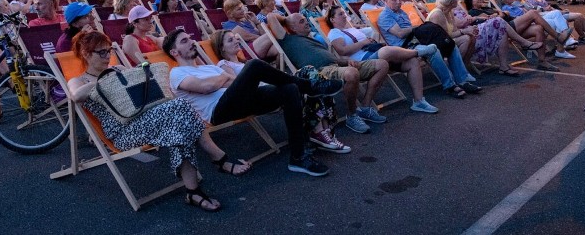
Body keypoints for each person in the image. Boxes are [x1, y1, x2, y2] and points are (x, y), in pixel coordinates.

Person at [68, 31, 225, 211]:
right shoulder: (79, 80)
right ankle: (217, 158)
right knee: (179, 110)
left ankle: (194, 192)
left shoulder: (118, 68)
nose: (107, 56)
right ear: (87, 54)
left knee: (177, 121)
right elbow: (75, 95)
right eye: (101, 52)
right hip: (123, 132)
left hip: (145, 119)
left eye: (109, 51)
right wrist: (105, 81)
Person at [166, 29, 342, 176]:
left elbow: (230, 81)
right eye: (184, 41)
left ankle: (298, 157)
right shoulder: (176, 73)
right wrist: (222, 78)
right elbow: (204, 86)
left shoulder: (208, 68)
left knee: (290, 90)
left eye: (190, 38)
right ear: (174, 52)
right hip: (219, 110)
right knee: (254, 66)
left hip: (240, 101)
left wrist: (221, 79)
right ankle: (310, 86)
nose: (191, 41)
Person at [266, 12, 401, 133]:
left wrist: (347, 61)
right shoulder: (287, 39)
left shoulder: (312, 40)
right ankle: (352, 115)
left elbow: (332, 58)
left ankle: (365, 108)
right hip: (320, 72)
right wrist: (288, 20)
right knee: (351, 74)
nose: (306, 22)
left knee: (382, 64)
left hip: (338, 66)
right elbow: (271, 16)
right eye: (301, 21)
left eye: (305, 19)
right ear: (293, 28)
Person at [325, 6, 437, 111]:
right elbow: (342, 50)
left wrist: (368, 40)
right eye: (340, 14)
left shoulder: (350, 30)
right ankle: (418, 52)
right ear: (332, 19)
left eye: (344, 13)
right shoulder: (334, 32)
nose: (345, 15)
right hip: (363, 62)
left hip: (373, 54)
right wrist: (363, 42)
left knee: (412, 62)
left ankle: (419, 101)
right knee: (386, 50)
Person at [378, 0, 479, 98]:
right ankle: (449, 85)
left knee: (449, 43)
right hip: (404, 47)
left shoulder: (401, 12)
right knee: (433, 49)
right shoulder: (385, 16)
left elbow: (408, 31)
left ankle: (462, 80)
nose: (398, 1)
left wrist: (417, 29)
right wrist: (417, 27)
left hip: (416, 40)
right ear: (386, 1)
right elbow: (400, 34)